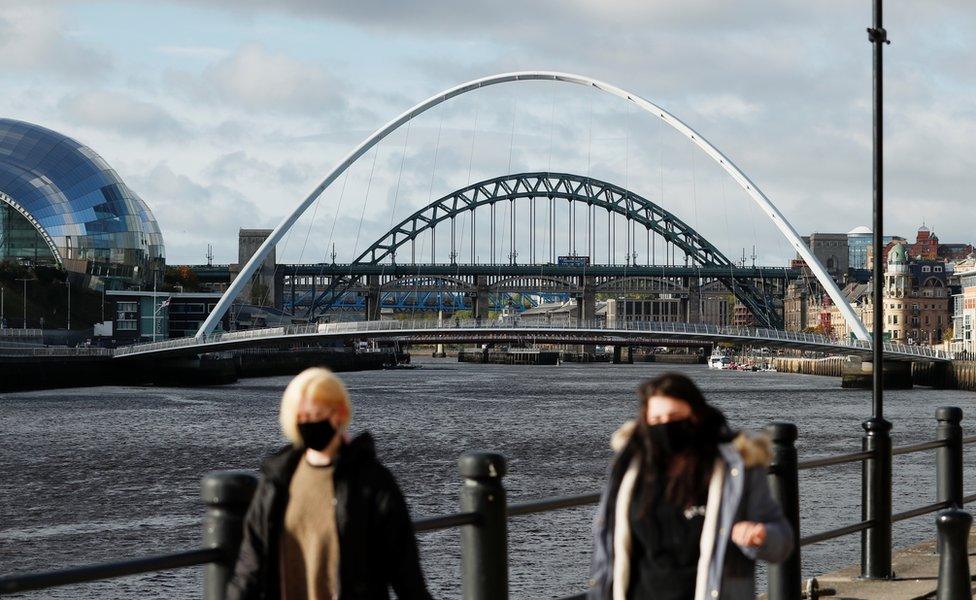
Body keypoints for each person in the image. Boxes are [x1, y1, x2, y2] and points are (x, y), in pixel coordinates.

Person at [226, 367, 433, 600]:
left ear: (340, 413)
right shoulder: (276, 481)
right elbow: (249, 569)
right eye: (301, 418)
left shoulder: (372, 483)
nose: (308, 424)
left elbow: (406, 574)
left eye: (316, 416)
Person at [588, 373, 793, 600]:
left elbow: (782, 541)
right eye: (656, 421)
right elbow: (606, 547)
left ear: (696, 416)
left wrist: (760, 536)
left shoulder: (735, 468)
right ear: (645, 421)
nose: (666, 427)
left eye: (675, 417)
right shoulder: (629, 467)